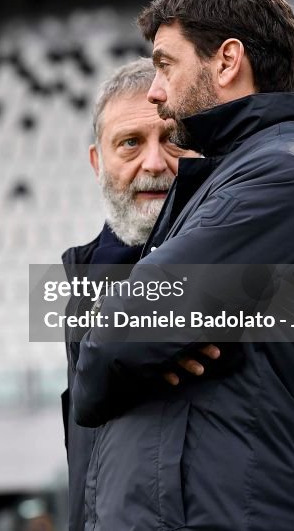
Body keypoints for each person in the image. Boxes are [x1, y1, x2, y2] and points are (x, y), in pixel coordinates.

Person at [69, 0, 294, 531]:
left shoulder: (282, 176)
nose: (158, 92)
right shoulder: (243, 181)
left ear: (227, 60)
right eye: (129, 143)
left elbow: (113, 342)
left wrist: (137, 342)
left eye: (166, 65)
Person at [60, 58, 192, 531]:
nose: (154, 163)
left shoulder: (257, 274)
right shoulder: (81, 286)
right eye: (130, 143)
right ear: (98, 161)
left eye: (173, 139)